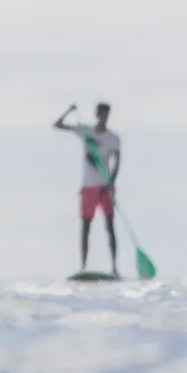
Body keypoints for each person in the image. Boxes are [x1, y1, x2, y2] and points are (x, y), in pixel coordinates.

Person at [53, 102, 121, 276]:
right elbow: (58, 125)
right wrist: (69, 110)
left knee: (110, 226)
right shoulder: (86, 131)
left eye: (106, 114)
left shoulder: (113, 138)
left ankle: (114, 267)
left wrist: (112, 181)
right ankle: (83, 266)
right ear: (97, 114)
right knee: (86, 227)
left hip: (105, 187)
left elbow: (117, 162)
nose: (103, 117)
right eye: (101, 114)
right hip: (89, 187)